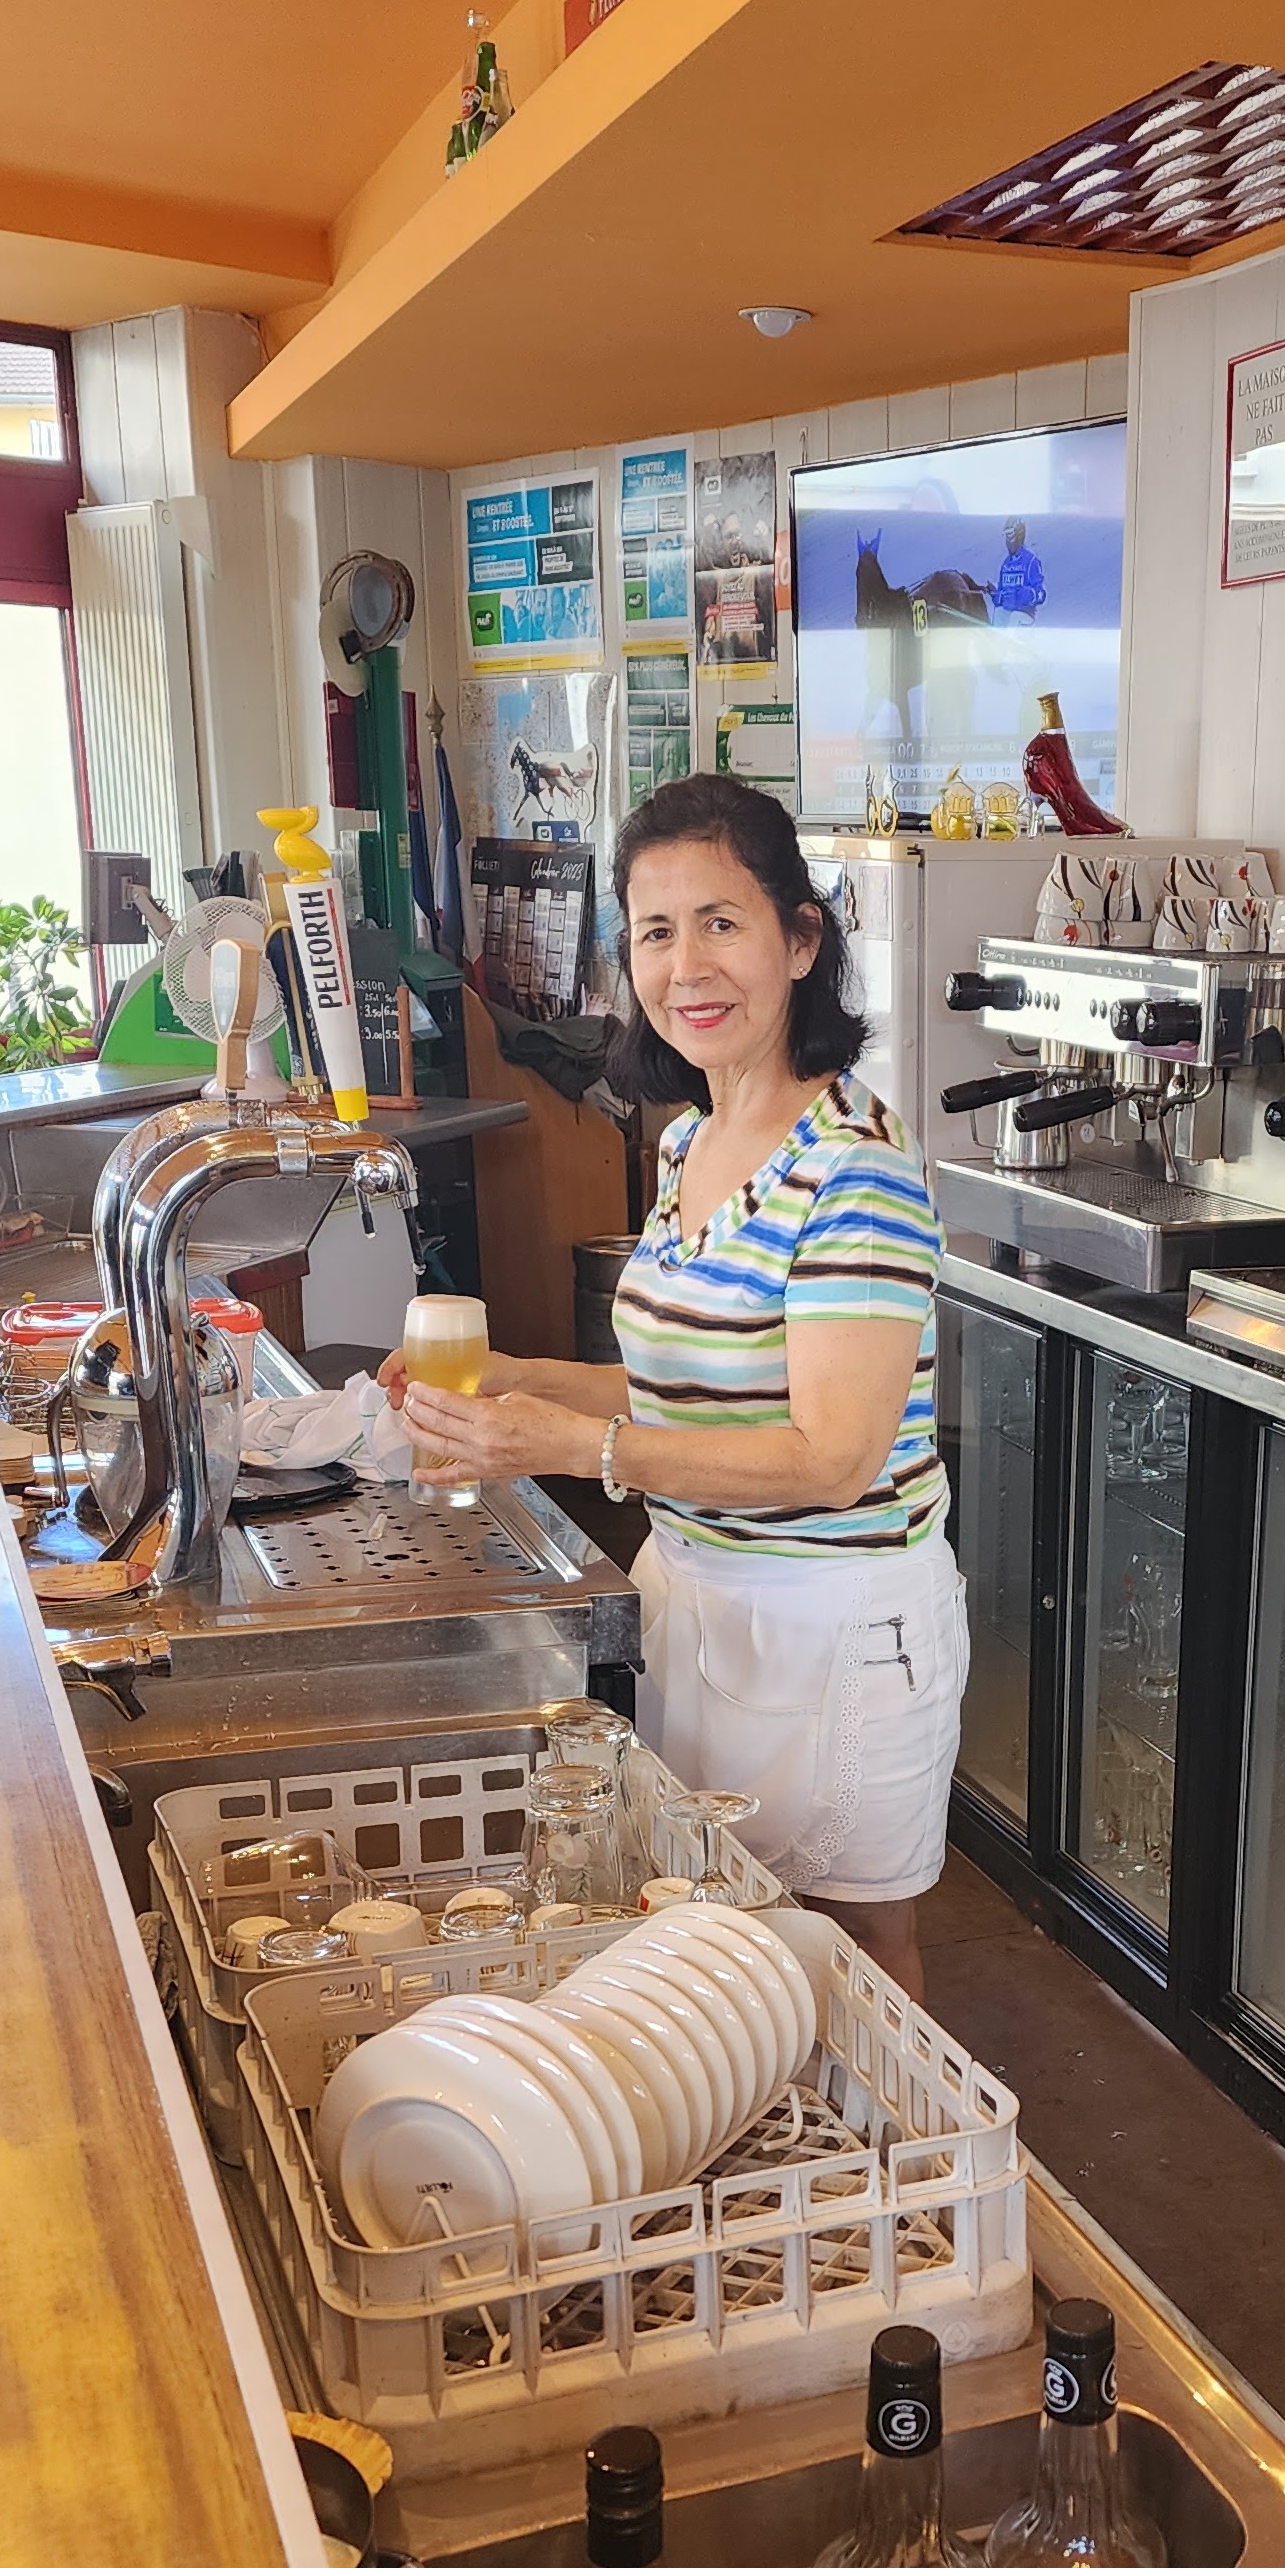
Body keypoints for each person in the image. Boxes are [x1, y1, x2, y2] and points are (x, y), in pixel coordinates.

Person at [388, 775, 966, 1998]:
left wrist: (570, 1447)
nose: (685, 965)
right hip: (691, 1597)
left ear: (798, 940)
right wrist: (514, 1378)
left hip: (835, 1627)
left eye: (720, 922)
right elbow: (680, 1385)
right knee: (701, 1928)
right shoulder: (688, 1141)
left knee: (852, 1949)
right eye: (654, 931)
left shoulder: (855, 1172)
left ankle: (871, 2132)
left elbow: (830, 1458)